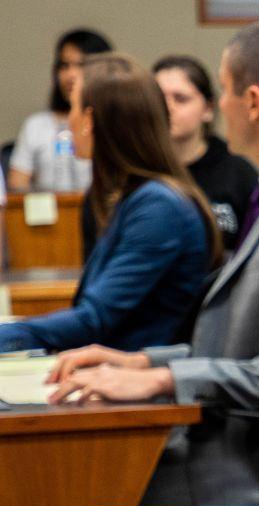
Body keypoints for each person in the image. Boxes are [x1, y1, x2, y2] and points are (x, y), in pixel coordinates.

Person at [46, 21, 259, 506]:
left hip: (243, 466)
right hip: (224, 439)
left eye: (225, 91)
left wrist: (163, 381)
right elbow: (240, 343)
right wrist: (141, 361)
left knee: (62, 487)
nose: (222, 108)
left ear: (253, 102)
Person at [0, 54, 213, 353]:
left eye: (72, 108)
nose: (67, 122)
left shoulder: (158, 207)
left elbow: (94, 319)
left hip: (141, 385)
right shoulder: (134, 199)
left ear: (88, 121)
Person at [154, 56, 258, 244]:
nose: (168, 108)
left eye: (181, 99)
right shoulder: (137, 167)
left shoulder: (237, 172)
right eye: (159, 99)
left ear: (208, 109)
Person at [7, 29, 111, 192]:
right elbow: (17, 188)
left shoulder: (115, 125)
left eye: (81, 65)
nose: (71, 75)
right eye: (64, 66)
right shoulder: (36, 125)